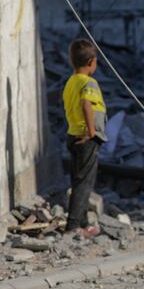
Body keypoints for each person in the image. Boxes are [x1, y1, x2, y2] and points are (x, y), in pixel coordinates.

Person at [62, 39, 108, 238]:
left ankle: (82, 222)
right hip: (86, 137)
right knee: (84, 183)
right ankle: (73, 225)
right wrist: (91, 132)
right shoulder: (89, 83)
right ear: (91, 62)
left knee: (78, 179)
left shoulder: (71, 82)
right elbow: (86, 104)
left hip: (73, 135)